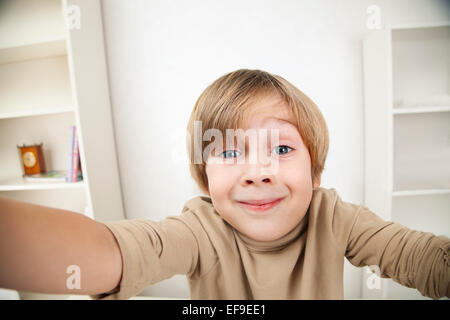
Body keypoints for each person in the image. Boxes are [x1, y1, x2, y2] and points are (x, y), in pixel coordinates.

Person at [0, 69, 448, 300]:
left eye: (282, 150)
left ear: (315, 172)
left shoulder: (336, 217)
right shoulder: (201, 230)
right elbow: (113, 252)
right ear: (205, 179)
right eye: (230, 153)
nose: (257, 172)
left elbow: (418, 257)